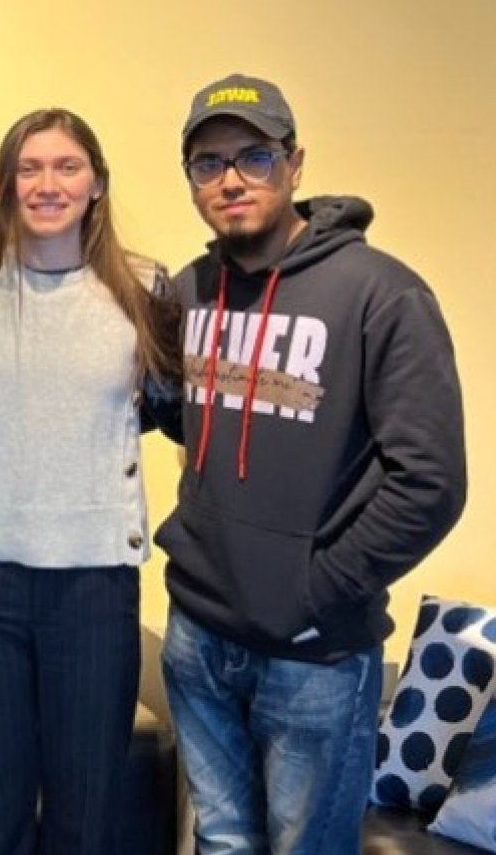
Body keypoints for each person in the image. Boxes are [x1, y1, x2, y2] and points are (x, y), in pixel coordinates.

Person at [155, 74, 467, 855]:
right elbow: (185, 419)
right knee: (223, 843)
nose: (230, 179)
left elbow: (429, 483)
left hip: (316, 654)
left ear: (295, 163)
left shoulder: (382, 294)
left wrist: (312, 590)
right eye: (208, 163)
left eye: (253, 157)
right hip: (198, 634)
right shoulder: (192, 290)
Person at [0, 109, 181, 855]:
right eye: (30, 168)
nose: (48, 184)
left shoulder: (146, 287)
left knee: (88, 814)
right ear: (7, 185)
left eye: (67, 166)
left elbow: (169, 414)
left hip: (94, 576)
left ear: (98, 183)